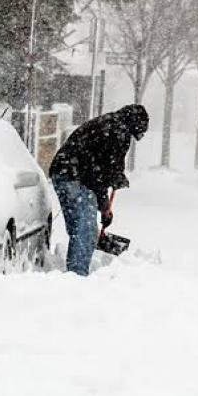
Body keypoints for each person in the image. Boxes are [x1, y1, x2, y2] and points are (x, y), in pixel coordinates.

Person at [49, 104, 149, 275]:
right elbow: (103, 171)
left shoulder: (111, 123)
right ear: (135, 125)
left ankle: (75, 272)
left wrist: (107, 196)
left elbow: (103, 168)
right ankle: (77, 276)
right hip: (73, 175)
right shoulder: (118, 132)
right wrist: (105, 203)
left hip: (64, 172)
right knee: (85, 229)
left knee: (80, 227)